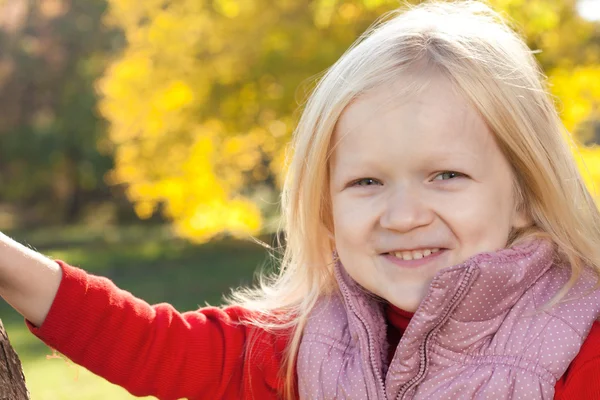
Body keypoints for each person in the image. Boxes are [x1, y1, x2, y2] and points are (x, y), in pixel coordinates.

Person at [2, 1, 600, 399]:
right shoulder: (300, 345)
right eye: (366, 182)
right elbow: (148, 345)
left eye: (445, 175)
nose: (403, 215)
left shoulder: (579, 339)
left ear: (525, 192)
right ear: (325, 208)